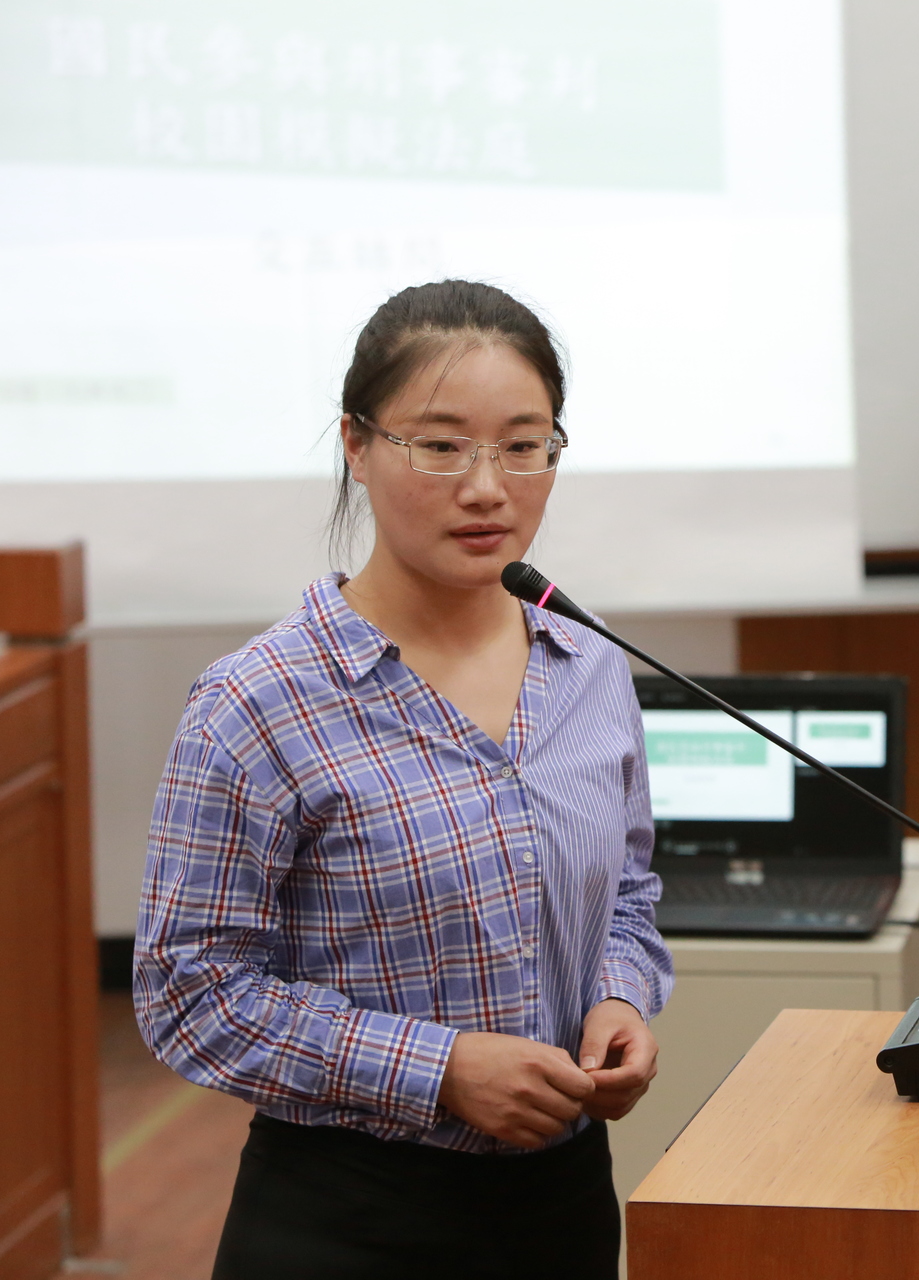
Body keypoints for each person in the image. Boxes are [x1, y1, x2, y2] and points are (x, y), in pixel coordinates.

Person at [134, 280, 672, 1279]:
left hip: (562, 1202)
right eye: (440, 444)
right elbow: (189, 990)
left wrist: (620, 997)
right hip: (350, 1215)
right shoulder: (259, 702)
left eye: (524, 443)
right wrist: (440, 1069)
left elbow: (629, 892)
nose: (487, 486)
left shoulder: (588, 667)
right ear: (357, 444)